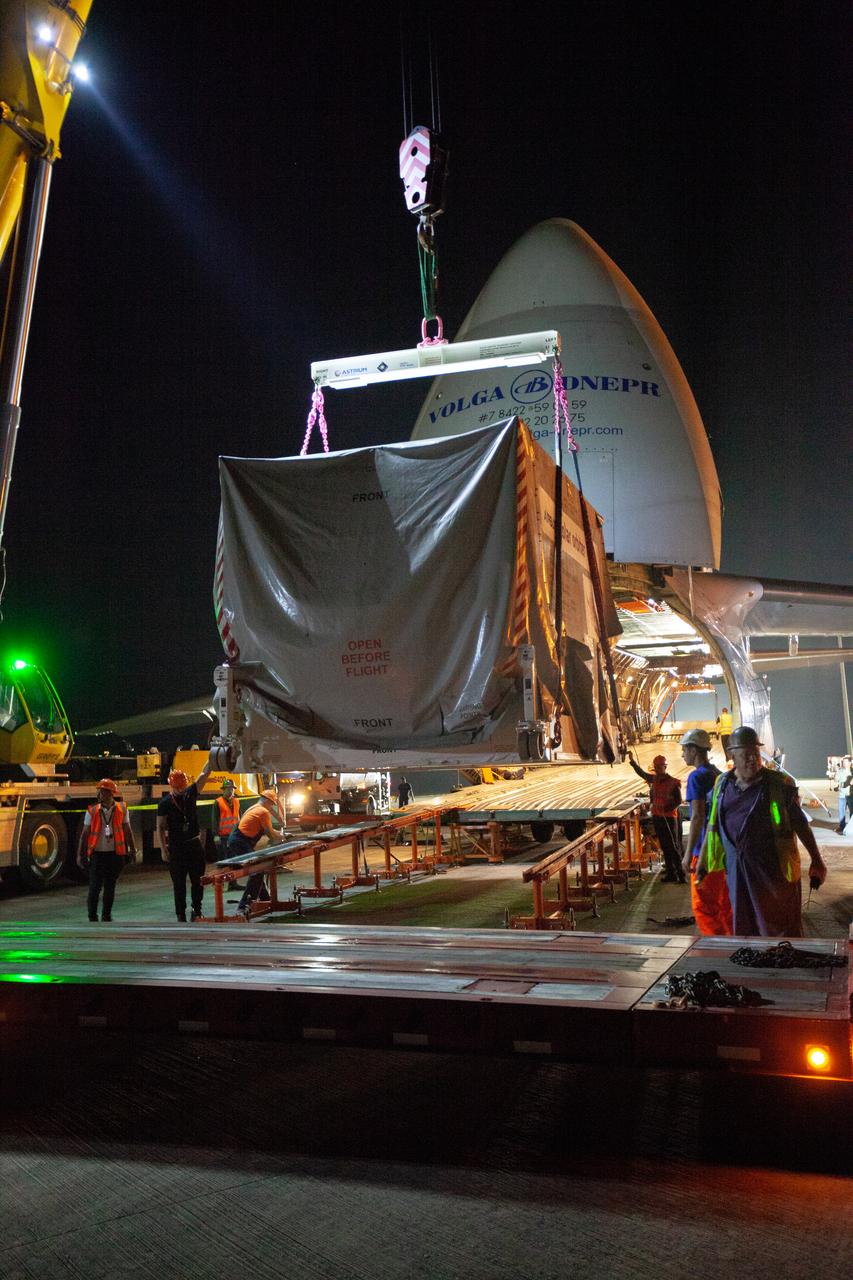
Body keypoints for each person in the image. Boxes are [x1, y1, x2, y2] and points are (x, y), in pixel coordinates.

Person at [698, 725, 827, 937]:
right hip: (738, 870)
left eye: (756, 754)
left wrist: (817, 859)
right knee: (744, 926)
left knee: (779, 928)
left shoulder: (777, 785)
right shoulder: (722, 785)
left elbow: (800, 823)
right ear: (732, 755)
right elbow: (712, 825)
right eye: (746, 755)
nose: (752, 760)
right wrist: (703, 861)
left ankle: (786, 966)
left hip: (773, 872)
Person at [678, 728, 731, 934]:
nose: (682, 754)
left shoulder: (696, 777)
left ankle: (716, 948)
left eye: (684, 749)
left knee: (703, 906)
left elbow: (698, 816)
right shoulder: (718, 774)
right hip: (721, 850)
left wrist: (688, 852)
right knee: (724, 903)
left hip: (703, 851)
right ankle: (733, 944)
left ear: (693, 749)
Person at [157, 754, 213, 922]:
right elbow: (160, 827)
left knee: (198, 880)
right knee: (179, 884)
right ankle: (180, 913)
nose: (181, 790)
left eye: (182, 786)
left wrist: (213, 758)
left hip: (193, 845)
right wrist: (163, 849)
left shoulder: (191, 793)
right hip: (177, 847)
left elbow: (204, 774)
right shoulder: (165, 803)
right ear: (172, 786)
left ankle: (197, 909)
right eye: (178, 787)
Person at [77, 778, 137, 922]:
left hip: (115, 855)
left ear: (111, 793)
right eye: (99, 791)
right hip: (97, 855)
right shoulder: (92, 811)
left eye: (103, 791)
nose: (100, 794)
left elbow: (127, 830)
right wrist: (80, 855)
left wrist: (132, 850)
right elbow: (84, 835)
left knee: (110, 887)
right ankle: (92, 916)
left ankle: (106, 915)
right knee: (95, 888)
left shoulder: (122, 809)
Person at [628, 751, 684, 882]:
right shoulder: (654, 780)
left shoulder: (673, 783)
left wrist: (667, 809)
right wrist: (632, 762)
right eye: (656, 768)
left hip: (669, 818)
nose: (658, 770)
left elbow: (678, 801)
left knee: (673, 846)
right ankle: (671, 873)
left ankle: (680, 874)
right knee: (664, 846)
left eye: (660, 767)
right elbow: (642, 773)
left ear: (665, 767)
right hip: (658, 818)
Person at [230, 788, 284, 918]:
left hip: (238, 840)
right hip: (240, 842)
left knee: (260, 868)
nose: (272, 807)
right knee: (257, 872)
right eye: (272, 804)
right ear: (267, 801)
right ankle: (244, 906)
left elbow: (270, 830)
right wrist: (282, 836)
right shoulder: (262, 812)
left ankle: (265, 900)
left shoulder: (254, 807)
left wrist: (280, 833)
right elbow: (270, 834)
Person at [212, 777, 241, 856]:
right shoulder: (218, 802)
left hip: (235, 834)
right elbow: (215, 820)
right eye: (228, 789)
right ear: (223, 790)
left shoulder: (237, 801)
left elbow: (240, 819)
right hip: (223, 837)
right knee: (224, 857)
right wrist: (216, 836)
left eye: (232, 789)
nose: (230, 791)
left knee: (234, 856)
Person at [835, 755, 852, 834]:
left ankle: (851, 826)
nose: (844, 763)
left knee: (852, 812)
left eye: (845, 762)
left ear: (850, 762)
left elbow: (849, 783)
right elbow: (836, 779)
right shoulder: (840, 771)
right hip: (842, 795)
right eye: (843, 762)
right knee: (841, 811)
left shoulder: (852, 771)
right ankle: (842, 826)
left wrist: (841, 785)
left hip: (850, 795)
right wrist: (837, 771)